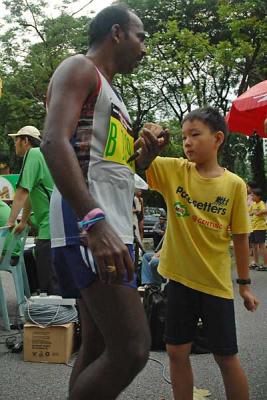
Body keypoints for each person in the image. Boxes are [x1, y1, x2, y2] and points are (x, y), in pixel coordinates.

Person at [41, 5, 150, 400]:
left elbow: (105, 165)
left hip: (107, 222)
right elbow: (53, 141)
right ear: (117, 33)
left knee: (101, 346)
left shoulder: (109, 89)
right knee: (133, 349)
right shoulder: (79, 68)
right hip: (87, 224)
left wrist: (145, 156)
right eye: (142, 38)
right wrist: (93, 222)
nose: (145, 49)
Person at [136, 107, 259, 400]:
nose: (187, 142)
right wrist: (148, 142)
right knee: (176, 351)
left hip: (216, 285)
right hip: (179, 281)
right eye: (184, 136)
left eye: (195, 135)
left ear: (217, 138)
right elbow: (140, 162)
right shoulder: (174, 170)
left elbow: (241, 237)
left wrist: (244, 285)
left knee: (225, 356)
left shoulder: (234, 185)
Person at [7, 125, 58, 295]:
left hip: (50, 230)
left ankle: (58, 320)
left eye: (17, 140)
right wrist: (22, 221)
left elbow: (22, 190)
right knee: (51, 283)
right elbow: (30, 194)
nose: (15, 144)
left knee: (50, 287)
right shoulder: (43, 156)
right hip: (53, 228)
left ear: (26, 141)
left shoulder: (34, 154)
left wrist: (9, 222)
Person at [248, 188, 267, 271]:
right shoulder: (253, 204)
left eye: (253, 195)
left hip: (260, 228)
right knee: (254, 246)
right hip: (253, 228)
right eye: (251, 195)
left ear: (258, 196)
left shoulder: (261, 203)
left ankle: (266, 265)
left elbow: (265, 210)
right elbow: (248, 212)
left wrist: (258, 213)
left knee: (262, 246)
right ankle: (256, 263)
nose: (252, 197)